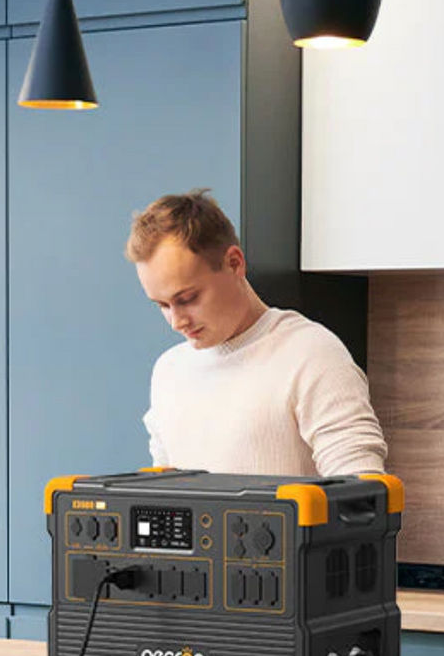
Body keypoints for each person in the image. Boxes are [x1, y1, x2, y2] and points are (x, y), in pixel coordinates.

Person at [129, 189, 388, 477]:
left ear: (235, 263)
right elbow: (163, 497)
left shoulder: (312, 354)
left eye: (187, 298)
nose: (176, 321)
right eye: (162, 305)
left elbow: (363, 498)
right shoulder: (169, 370)